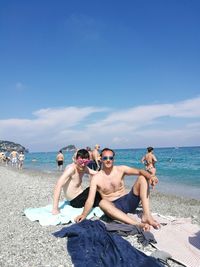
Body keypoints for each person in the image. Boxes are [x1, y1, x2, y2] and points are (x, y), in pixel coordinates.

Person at [75, 148, 160, 231]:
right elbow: (90, 199)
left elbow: (140, 171)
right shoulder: (96, 178)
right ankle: (137, 224)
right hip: (114, 207)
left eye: (111, 158)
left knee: (142, 178)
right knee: (102, 203)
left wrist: (151, 177)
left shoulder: (121, 169)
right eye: (105, 158)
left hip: (128, 201)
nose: (108, 160)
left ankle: (146, 215)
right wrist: (83, 214)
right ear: (101, 159)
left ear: (113, 159)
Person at [52, 149, 101, 215]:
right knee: (96, 189)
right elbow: (58, 185)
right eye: (81, 162)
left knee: (100, 190)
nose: (83, 164)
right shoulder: (71, 169)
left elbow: (96, 173)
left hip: (81, 196)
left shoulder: (84, 168)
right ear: (76, 160)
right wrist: (55, 208)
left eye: (86, 162)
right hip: (75, 201)